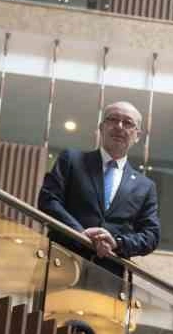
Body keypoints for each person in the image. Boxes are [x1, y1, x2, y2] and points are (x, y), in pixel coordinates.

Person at [38, 101, 161, 278]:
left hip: (109, 276)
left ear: (137, 135)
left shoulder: (145, 186)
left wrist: (117, 242)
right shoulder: (71, 160)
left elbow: (151, 235)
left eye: (127, 123)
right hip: (60, 264)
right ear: (101, 127)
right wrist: (80, 233)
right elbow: (48, 200)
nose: (119, 126)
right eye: (113, 119)